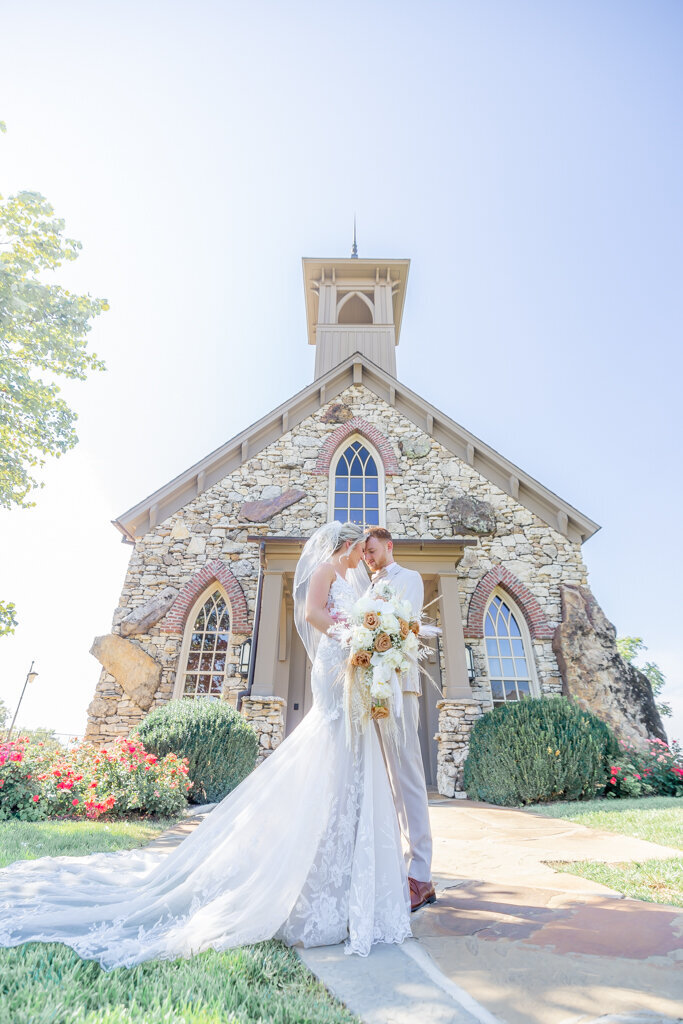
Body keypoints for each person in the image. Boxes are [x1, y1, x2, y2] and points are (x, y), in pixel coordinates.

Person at [0, 522, 411, 970]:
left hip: (352, 666)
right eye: (358, 551)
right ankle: (312, 887)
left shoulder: (352, 577)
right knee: (330, 752)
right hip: (337, 663)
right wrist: (353, 635)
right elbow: (313, 613)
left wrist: (368, 641)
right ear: (348, 546)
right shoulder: (326, 571)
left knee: (348, 766)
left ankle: (350, 880)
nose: (362, 558)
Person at [363, 526, 436, 912]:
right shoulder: (364, 583)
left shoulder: (410, 579)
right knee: (383, 781)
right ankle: (396, 867)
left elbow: (398, 626)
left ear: (388, 546)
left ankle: (421, 876)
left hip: (398, 686)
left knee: (407, 777)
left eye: (372, 550)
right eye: (364, 553)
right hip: (368, 690)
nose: (368, 557)